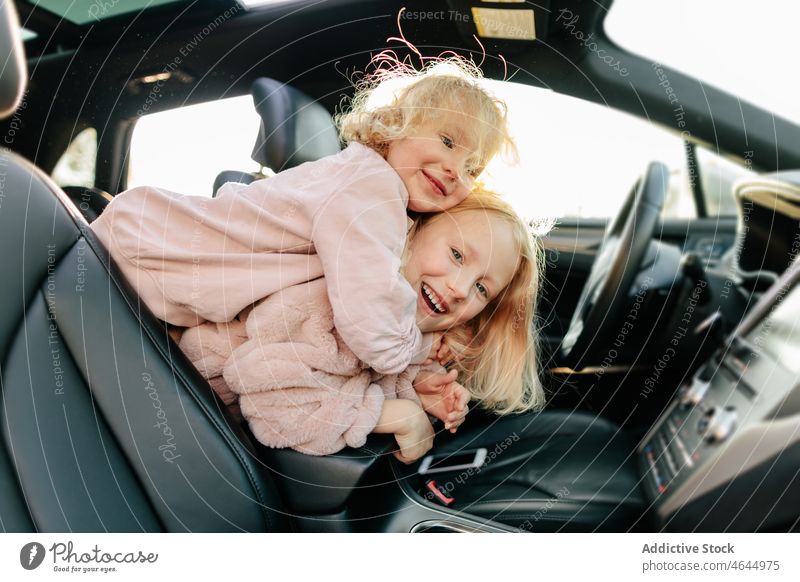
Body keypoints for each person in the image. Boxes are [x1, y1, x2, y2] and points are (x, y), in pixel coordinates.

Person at [90, 57, 514, 379]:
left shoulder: (368, 187)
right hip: (148, 254)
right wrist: (418, 350)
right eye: (447, 141)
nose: (455, 170)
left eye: (473, 168)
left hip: (153, 259)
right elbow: (372, 325)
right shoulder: (372, 192)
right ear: (397, 125)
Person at [178, 188, 545, 462]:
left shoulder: (397, 324)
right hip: (190, 408)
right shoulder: (339, 300)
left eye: (482, 288)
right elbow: (274, 399)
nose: (460, 288)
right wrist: (392, 415)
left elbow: (348, 372)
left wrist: (418, 390)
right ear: (411, 233)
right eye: (457, 255)